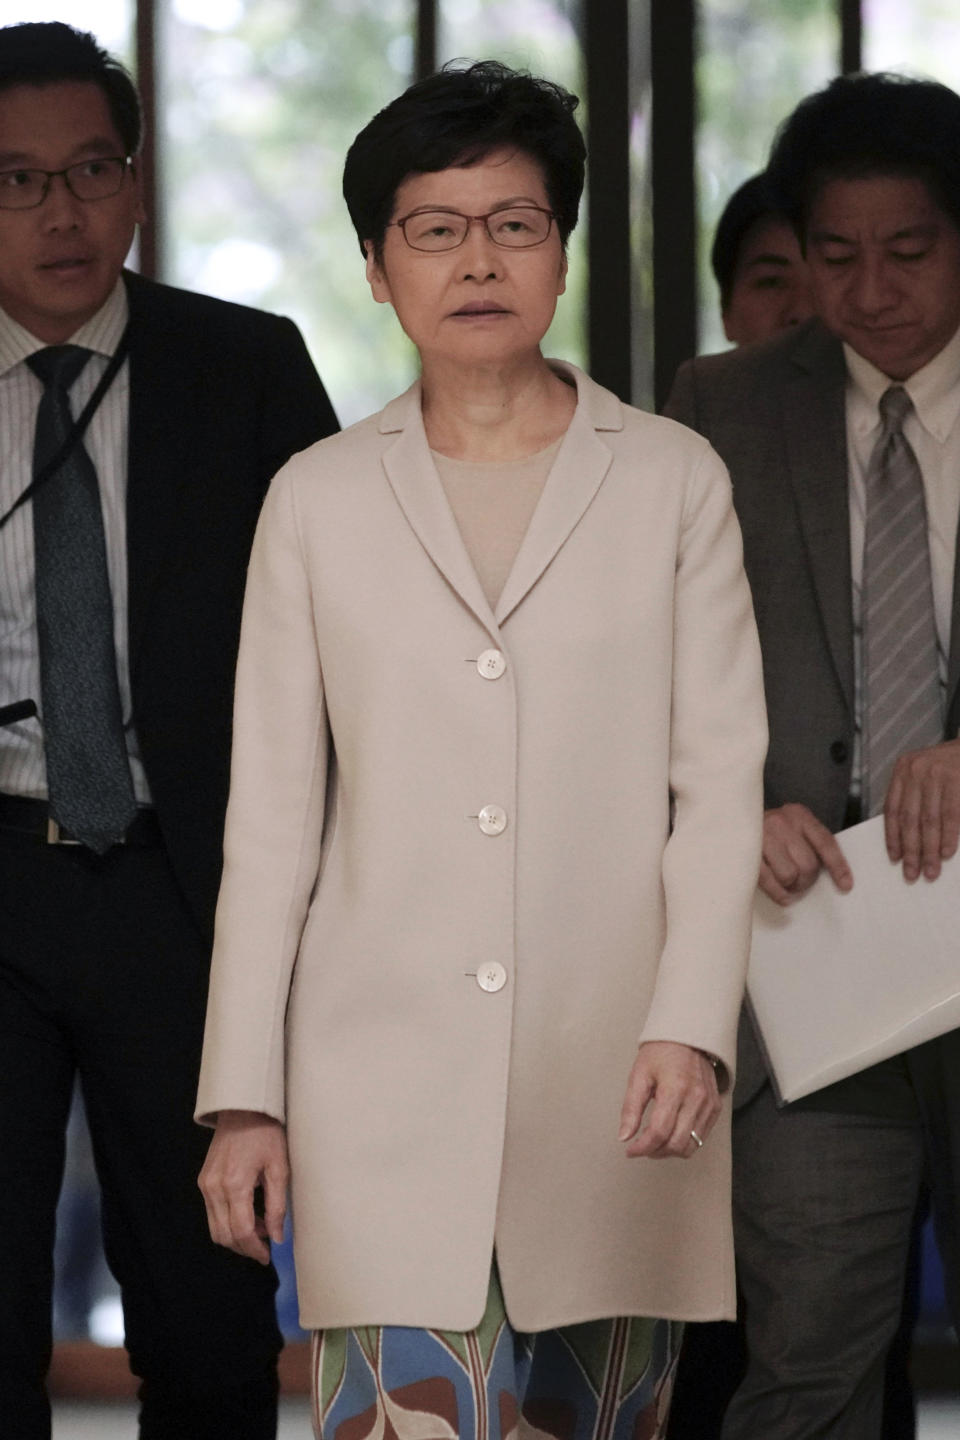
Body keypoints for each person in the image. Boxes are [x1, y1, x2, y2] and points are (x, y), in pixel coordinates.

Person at [194, 59, 766, 1440]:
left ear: (561, 255)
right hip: (374, 1086)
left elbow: (719, 781)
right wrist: (242, 1100)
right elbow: (270, 824)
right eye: (434, 229)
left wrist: (691, 1024)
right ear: (380, 270)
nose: (477, 260)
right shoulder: (318, 500)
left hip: (621, 1078)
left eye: (515, 223)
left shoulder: (672, 477)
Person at [0, 21, 338, 1440]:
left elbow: (341, 636)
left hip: (183, 883)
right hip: (0, 859)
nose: (62, 212)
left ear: (136, 181)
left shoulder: (244, 368)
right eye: (15, 181)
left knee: (205, 1316)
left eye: (89, 169)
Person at [665, 70, 960, 1440]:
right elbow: (653, 670)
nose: (870, 288)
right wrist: (737, 803)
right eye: (835, 256)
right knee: (805, 1370)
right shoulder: (722, 406)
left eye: (909, 251)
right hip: (815, 956)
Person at [710, 171, 813, 346]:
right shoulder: (694, 373)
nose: (803, 313)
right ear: (725, 311)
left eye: (823, 284)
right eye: (772, 282)